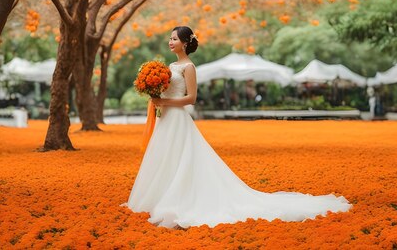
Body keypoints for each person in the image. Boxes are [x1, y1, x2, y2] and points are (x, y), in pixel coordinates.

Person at [123, 26, 351, 229]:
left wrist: (165, 102)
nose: (170, 42)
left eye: (174, 39)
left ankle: (178, 200)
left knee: (182, 160)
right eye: (170, 39)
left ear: (184, 43)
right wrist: (154, 94)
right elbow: (165, 91)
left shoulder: (189, 67)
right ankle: (158, 197)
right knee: (164, 158)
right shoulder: (170, 65)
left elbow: (191, 98)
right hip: (165, 119)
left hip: (178, 118)